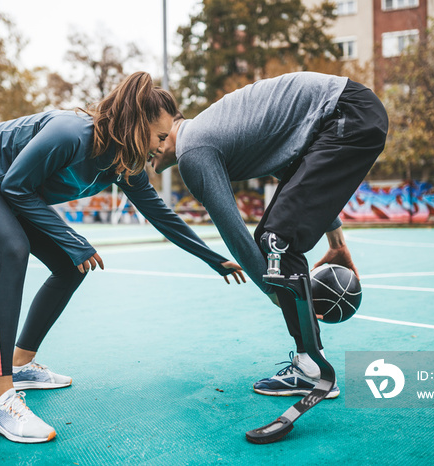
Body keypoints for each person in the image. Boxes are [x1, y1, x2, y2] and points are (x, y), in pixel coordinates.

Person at [0, 72, 245, 444]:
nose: (163, 147)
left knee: (70, 266)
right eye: (160, 137)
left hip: (9, 188)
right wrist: (72, 237)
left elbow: (162, 215)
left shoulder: (125, 165)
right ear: (136, 125)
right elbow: (14, 185)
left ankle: (20, 364)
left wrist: (213, 258)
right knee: (12, 250)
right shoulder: (71, 134)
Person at [149, 71, 388, 399]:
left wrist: (273, 290)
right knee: (275, 237)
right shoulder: (217, 131)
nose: (143, 150)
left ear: (162, 127)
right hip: (352, 112)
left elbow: (233, 230)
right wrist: (336, 241)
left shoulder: (193, 149)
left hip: (346, 114)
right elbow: (293, 176)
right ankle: (310, 362)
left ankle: (312, 368)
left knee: (276, 241)